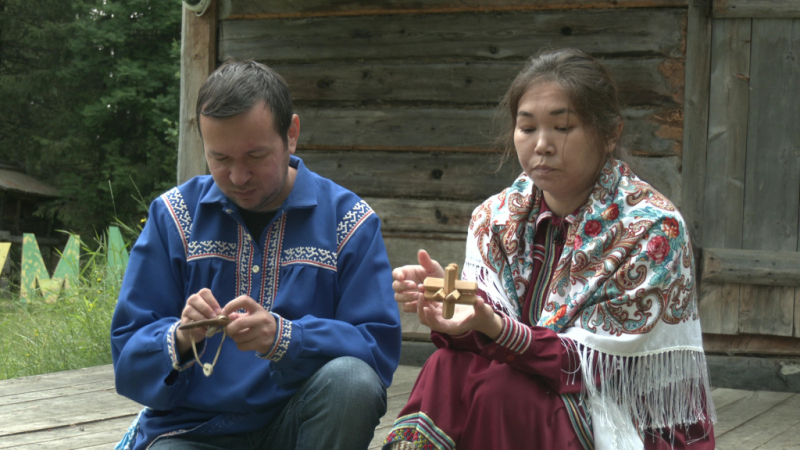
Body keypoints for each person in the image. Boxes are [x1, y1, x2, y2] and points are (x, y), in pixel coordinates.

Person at [383, 48, 716, 450]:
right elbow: (487, 333)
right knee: (446, 365)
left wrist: (493, 327)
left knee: (502, 389)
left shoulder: (651, 230)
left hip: (625, 415)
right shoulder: (497, 218)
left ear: (610, 133)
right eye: (527, 128)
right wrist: (448, 302)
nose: (542, 145)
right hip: (521, 390)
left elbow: (591, 368)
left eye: (563, 127)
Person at [111, 60, 402, 450]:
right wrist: (181, 337)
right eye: (221, 158)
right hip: (194, 434)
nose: (238, 177)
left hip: (300, 425)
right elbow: (128, 356)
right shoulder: (174, 217)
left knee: (352, 381)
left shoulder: (348, 222)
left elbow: (376, 349)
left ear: (291, 134)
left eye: (255, 156)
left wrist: (289, 338)